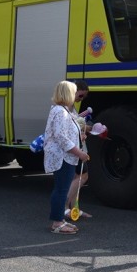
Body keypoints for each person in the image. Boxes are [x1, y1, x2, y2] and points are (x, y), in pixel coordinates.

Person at [44, 80, 89, 234]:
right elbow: (61, 137)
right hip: (62, 156)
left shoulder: (63, 110)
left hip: (65, 156)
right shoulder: (60, 111)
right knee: (61, 190)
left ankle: (60, 220)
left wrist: (79, 137)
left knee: (62, 188)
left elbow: (65, 134)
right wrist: (80, 152)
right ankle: (57, 223)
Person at [65, 79, 93, 219]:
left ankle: (73, 208)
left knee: (77, 176)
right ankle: (66, 208)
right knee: (81, 176)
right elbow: (70, 125)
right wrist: (86, 128)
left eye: (83, 97)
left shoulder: (69, 105)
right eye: (80, 96)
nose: (80, 99)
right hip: (73, 147)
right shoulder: (65, 106)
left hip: (75, 145)